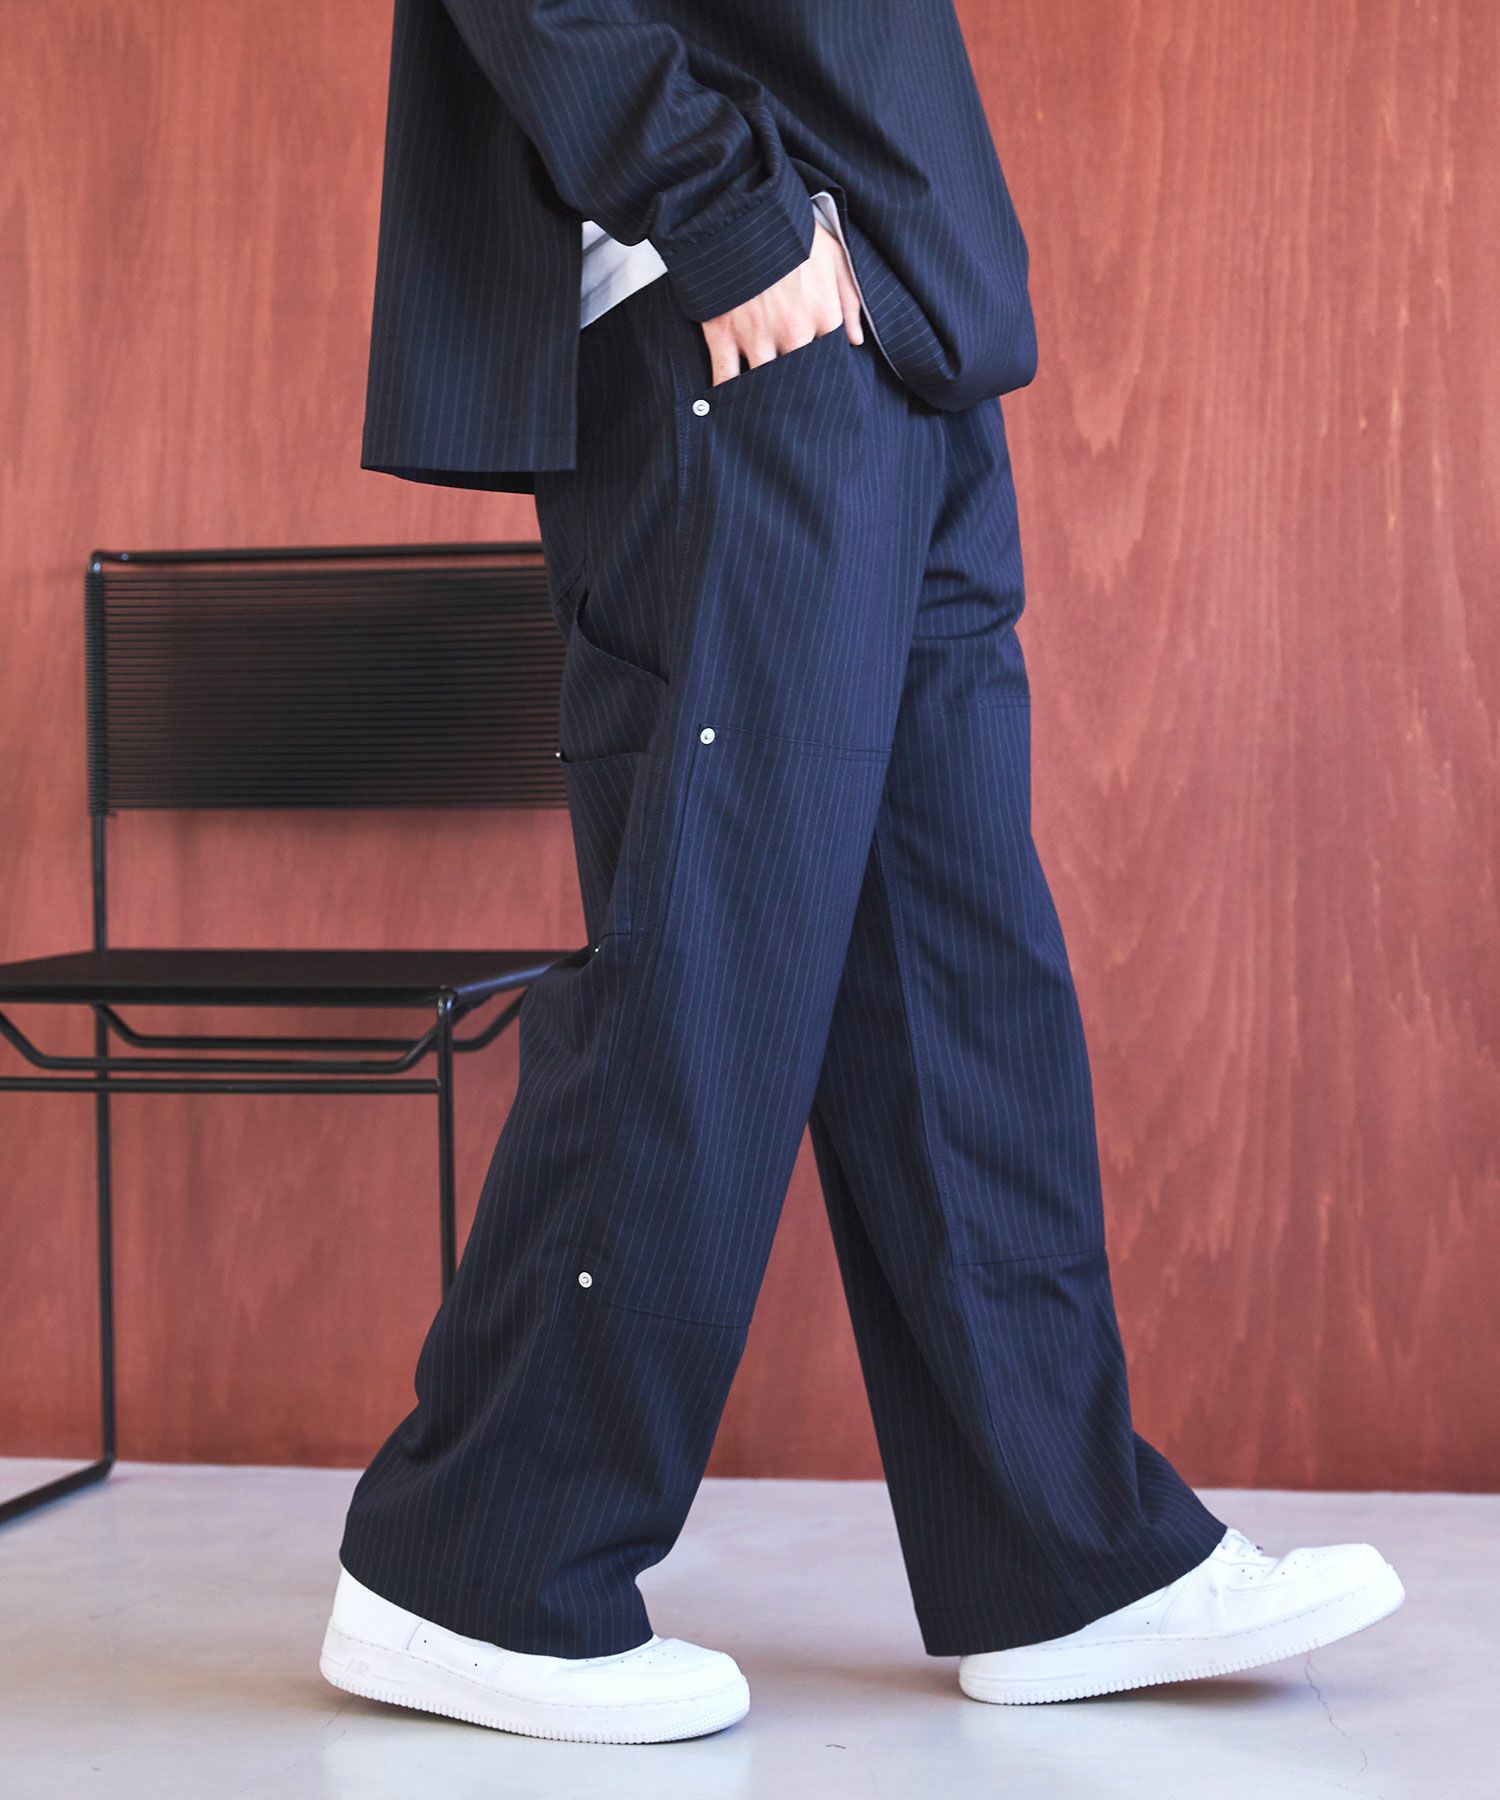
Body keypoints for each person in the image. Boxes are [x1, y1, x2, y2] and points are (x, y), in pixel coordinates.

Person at [318, 0, 1404, 1744]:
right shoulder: (736, 245)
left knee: (960, 971)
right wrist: (720, 208)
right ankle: (475, 1565)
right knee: (713, 951)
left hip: (909, 314)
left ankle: (1066, 1556)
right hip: (746, 307)